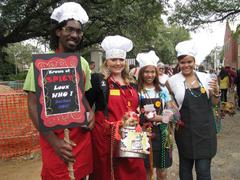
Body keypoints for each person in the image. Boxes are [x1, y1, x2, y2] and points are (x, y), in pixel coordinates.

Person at [23, 2, 94, 180]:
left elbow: (82, 97)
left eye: (78, 31)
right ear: (58, 31)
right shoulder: (40, 64)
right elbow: (33, 106)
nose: (74, 35)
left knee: (80, 175)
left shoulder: (83, 64)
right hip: (54, 139)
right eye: (69, 29)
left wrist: (90, 113)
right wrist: (55, 143)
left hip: (80, 138)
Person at [86, 35, 147, 180]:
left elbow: (137, 106)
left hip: (131, 132)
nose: (118, 63)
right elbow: (85, 102)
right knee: (107, 172)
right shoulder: (98, 79)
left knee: (134, 169)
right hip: (106, 136)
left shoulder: (132, 81)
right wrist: (91, 115)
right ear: (107, 61)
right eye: (114, 59)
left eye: (121, 60)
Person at [167, 40, 220, 180]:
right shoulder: (172, 81)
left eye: (189, 61)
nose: (186, 65)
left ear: (194, 61)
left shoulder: (205, 77)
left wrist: (216, 92)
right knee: (185, 169)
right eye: (183, 62)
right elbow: (170, 105)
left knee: (203, 171)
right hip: (185, 132)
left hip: (205, 131)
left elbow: (214, 103)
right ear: (179, 63)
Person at [137, 51, 176, 180]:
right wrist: (162, 117)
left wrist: (164, 116)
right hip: (144, 134)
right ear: (141, 73)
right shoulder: (137, 91)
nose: (150, 75)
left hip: (162, 133)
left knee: (162, 170)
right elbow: (140, 114)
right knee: (146, 170)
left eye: (152, 72)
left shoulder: (162, 90)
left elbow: (170, 108)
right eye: (146, 72)